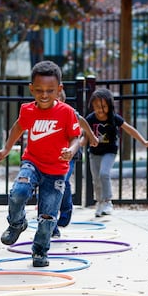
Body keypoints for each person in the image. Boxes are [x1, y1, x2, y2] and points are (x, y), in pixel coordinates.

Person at [0, 60, 81, 267]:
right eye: (39, 90)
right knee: (18, 192)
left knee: (48, 216)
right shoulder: (28, 110)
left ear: (59, 89)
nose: (44, 95)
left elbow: (76, 138)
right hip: (32, 163)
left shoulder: (66, 112)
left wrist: (71, 150)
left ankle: (40, 251)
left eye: (50, 90)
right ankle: (17, 224)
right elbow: (17, 127)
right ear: (31, 88)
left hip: (57, 171)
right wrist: (7, 148)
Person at [81, 88, 148, 217]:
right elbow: (84, 138)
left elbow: (130, 129)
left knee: (104, 173)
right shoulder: (90, 119)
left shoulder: (114, 118)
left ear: (109, 106)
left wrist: (144, 141)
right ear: (92, 106)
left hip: (109, 151)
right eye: (97, 106)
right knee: (96, 180)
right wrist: (75, 147)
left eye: (104, 106)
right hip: (94, 152)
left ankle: (108, 201)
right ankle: (100, 202)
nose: (100, 110)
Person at [52, 89, 98, 238]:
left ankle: (65, 211)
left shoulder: (68, 112)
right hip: (51, 156)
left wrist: (92, 137)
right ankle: (52, 226)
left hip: (69, 155)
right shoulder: (43, 113)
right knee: (52, 184)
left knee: (61, 181)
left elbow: (82, 121)